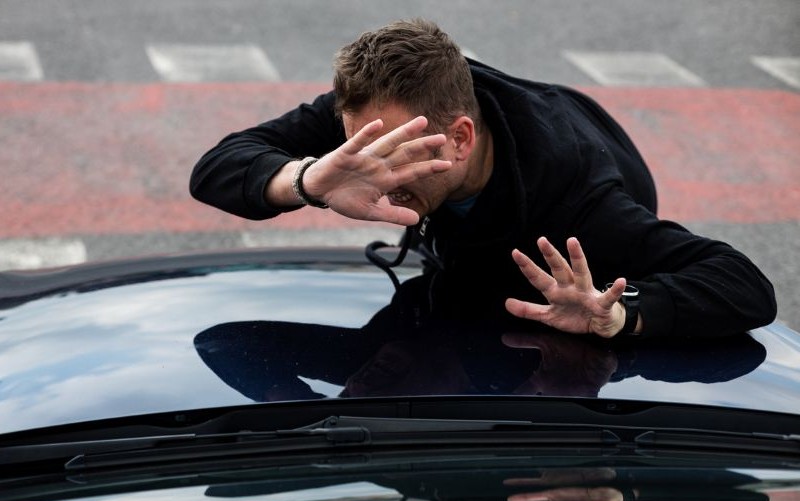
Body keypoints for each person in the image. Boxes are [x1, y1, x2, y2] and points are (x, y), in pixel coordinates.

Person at [189, 18, 776, 338]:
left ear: (461, 137)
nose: (371, 170)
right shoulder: (380, 116)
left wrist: (617, 315)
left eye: (396, 154)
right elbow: (215, 169)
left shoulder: (580, 210)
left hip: (555, 220)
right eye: (361, 146)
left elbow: (744, 284)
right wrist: (309, 179)